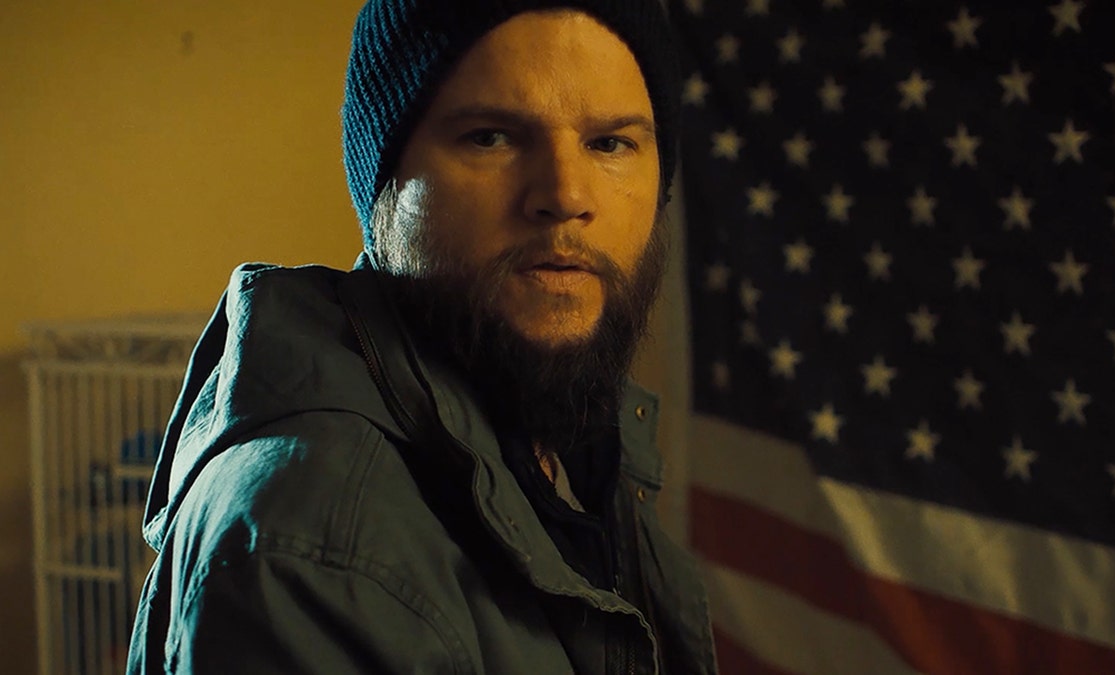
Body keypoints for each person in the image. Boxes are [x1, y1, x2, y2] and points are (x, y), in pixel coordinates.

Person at [125, 0, 717, 673]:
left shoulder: (566, 430)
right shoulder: (314, 542)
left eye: (610, 143)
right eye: (491, 136)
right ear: (386, 187)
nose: (564, 192)